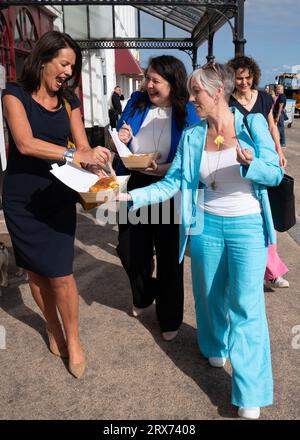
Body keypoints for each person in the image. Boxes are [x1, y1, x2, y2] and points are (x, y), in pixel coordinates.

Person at [118, 63, 283, 419]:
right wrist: (131, 198)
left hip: (246, 226)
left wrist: (252, 163)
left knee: (246, 306)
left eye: (197, 93)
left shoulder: (251, 126)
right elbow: (172, 182)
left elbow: (275, 173)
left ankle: (250, 390)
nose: (191, 99)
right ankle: (213, 343)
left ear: (218, 91)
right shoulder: (194, 136)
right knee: (207, 296)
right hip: (206, 226)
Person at [1, 31, 111, 379]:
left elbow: (81, 145)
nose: (68, 71)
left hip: (58, 195)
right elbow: (24, 143)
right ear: (43, 59)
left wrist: (97, 163)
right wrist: (73, 153)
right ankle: (52, 328)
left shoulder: (69, 100)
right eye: (64, 63)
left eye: (72, 67)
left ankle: (74, 341)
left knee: (62, 275)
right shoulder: (13, 94)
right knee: (35, 272)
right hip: (22, 198)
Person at [116, 55, 199, 341]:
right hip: (136, 182)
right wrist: (123, 134)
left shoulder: (188, 111)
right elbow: (122, 134)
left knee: (169, 257)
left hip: (170, 184)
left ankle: (170, 316)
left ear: (173, 83)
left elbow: (191, 157)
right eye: (147, 78)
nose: (148, 85)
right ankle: (144, 293)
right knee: (129, 249)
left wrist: (163, 168)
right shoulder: (137, 101)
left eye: (155, 80)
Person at [227, 55, 289, 289]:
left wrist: (278, 151)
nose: (243, 82)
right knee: (254, 217)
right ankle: (266, 270)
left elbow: (272, 125)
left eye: (247, 77)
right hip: (240, 162)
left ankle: (271, 270)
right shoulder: (227, 101)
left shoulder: (263, 97)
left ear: (254, 76)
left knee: (267, 216)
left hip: (263, 161)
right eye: (238, 78)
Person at [273, 84, 287, 148]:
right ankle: (281, 142)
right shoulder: (281, 96)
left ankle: (282, 143)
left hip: (279, 114)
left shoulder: (281, 96)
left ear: (282, 90)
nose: (277, 90)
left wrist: (278, 116)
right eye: (277, 89)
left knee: (280, 129)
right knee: (280, 128)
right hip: (279, 114)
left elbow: (280, 107)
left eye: (279, 89)